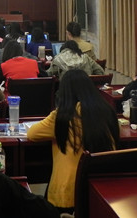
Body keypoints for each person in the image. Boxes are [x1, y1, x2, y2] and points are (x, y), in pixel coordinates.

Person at [27, 70, 119, 213]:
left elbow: (32, 134)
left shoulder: (63, 115)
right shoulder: (107, 110)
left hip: (68, 193)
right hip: (102, 191)